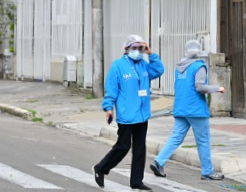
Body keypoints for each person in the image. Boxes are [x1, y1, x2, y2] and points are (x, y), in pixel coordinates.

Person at [94, 35, 164, 191]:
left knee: (140, 149)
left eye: (140, 48)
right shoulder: (117, 66)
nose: (138, 51)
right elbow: (111, 90)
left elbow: (159, 70)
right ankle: (101, 168)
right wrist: (108, 108)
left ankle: (136, 182)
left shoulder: (144, 64)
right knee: (123, 146)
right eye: (134, 48)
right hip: (126, 115)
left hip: (142, 115)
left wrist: (151, 53)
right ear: (126, 49)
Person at [149, 40, 225, 182]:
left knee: (175, 138)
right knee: (203, 141)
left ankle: (159, 162)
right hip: (196, 110)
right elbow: (200, 87)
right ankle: (207, 171)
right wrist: (217, 88)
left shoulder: (179, 67)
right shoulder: (199, 66)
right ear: (199, 51)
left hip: (180, 109)